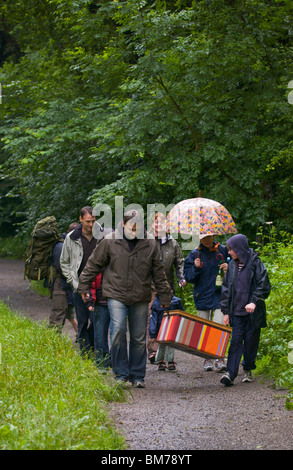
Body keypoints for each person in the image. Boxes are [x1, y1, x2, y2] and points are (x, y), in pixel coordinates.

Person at [78, 210, 171, 388]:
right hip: (116, 293)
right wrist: (83, 286)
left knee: (138, 337)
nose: (135, 231)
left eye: (138, 228)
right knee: (118, 330)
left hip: (140, 294)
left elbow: (158, 272)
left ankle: (137, 375)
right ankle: (120, 373)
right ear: (123, 224)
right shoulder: (110, 240)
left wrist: (165, 295)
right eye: (132, 227)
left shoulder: (149, 242)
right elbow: (93, 263)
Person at [219, 234, 271, 386]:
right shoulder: (232, 266)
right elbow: (226, 289)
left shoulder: (255, 263)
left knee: (250, 342)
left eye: (231, 249)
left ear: (239, 249)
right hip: (236, 312)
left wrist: (254, 302)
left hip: (253, 314)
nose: (229, 252)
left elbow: (264, 284)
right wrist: (226, 312)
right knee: (235, 342)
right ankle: (230, 373)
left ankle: (247, 369)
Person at [184, 233, 229, 372]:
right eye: (204, 237)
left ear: (214, 236)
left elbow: (235, 268)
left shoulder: (223, 250)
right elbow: (188, 278)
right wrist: (196, 268)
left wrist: (229, 268)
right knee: (204, 328)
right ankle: (207, 358)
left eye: (209, 237)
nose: (207, 240)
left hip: (219, 295)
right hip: (201, 295)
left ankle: (219, 358)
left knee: (218, 326)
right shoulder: (194, 254)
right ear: (199, 238)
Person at [147, 212, 186, 371]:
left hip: (168, 287)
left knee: (168, 321)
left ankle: (167, 356)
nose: (158, 226)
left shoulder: (173, 243)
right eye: (156, 223)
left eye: (161, 223)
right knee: (152, 317)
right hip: (149, 287)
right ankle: (154, 352)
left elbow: (179, 263)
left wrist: (181, 277)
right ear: (152, 225)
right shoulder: (147, 242)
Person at [60, 207, 98, 355]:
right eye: (88, 221)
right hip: (78, 285)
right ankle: (85, 351)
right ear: (81, 219)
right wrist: (75, 283)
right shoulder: (71, 238)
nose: (90, 224)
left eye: (93, 221)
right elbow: (64, 263)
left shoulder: (101, 235)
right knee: (82, 321)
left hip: (98, 285)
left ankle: (93, 346)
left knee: (96, 320)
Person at [48, 222, 79, 335]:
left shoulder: (68, 244)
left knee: (69, 313)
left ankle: (80, 337)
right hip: (59, 284)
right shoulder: (60, 246)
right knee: (58, 313)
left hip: (67, 285)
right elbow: (60, 267)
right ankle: (51, 341)